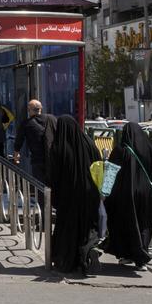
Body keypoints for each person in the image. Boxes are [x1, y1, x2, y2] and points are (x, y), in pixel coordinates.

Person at [47, 115, 103, 274]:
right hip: (90, 193)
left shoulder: (58, 147)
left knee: (67, 227)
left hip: (68, 195)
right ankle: (88, 250)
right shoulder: (89, 144)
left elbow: (53, 176)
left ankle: (67, 262)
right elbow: (99, 166)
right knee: (86, 225)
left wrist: (54, 197)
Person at [103, 122, 152, 269]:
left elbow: (111, 173)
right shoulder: (149, 149)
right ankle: (142, 257)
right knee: (143, 224)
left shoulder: (120, 150)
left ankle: (127, 254)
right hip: (146, 193)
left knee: (126, 224)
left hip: (125, 194)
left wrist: (104, 193)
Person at [13, 99, 55, 184]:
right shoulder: (51, 119)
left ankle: (42, 197)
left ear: (30, 110)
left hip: (37, 159)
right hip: (52, 158)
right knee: (52, 183)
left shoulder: (26, 123)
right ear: (40, 109)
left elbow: (19, 140)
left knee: (40, 185)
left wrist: (16, 153)